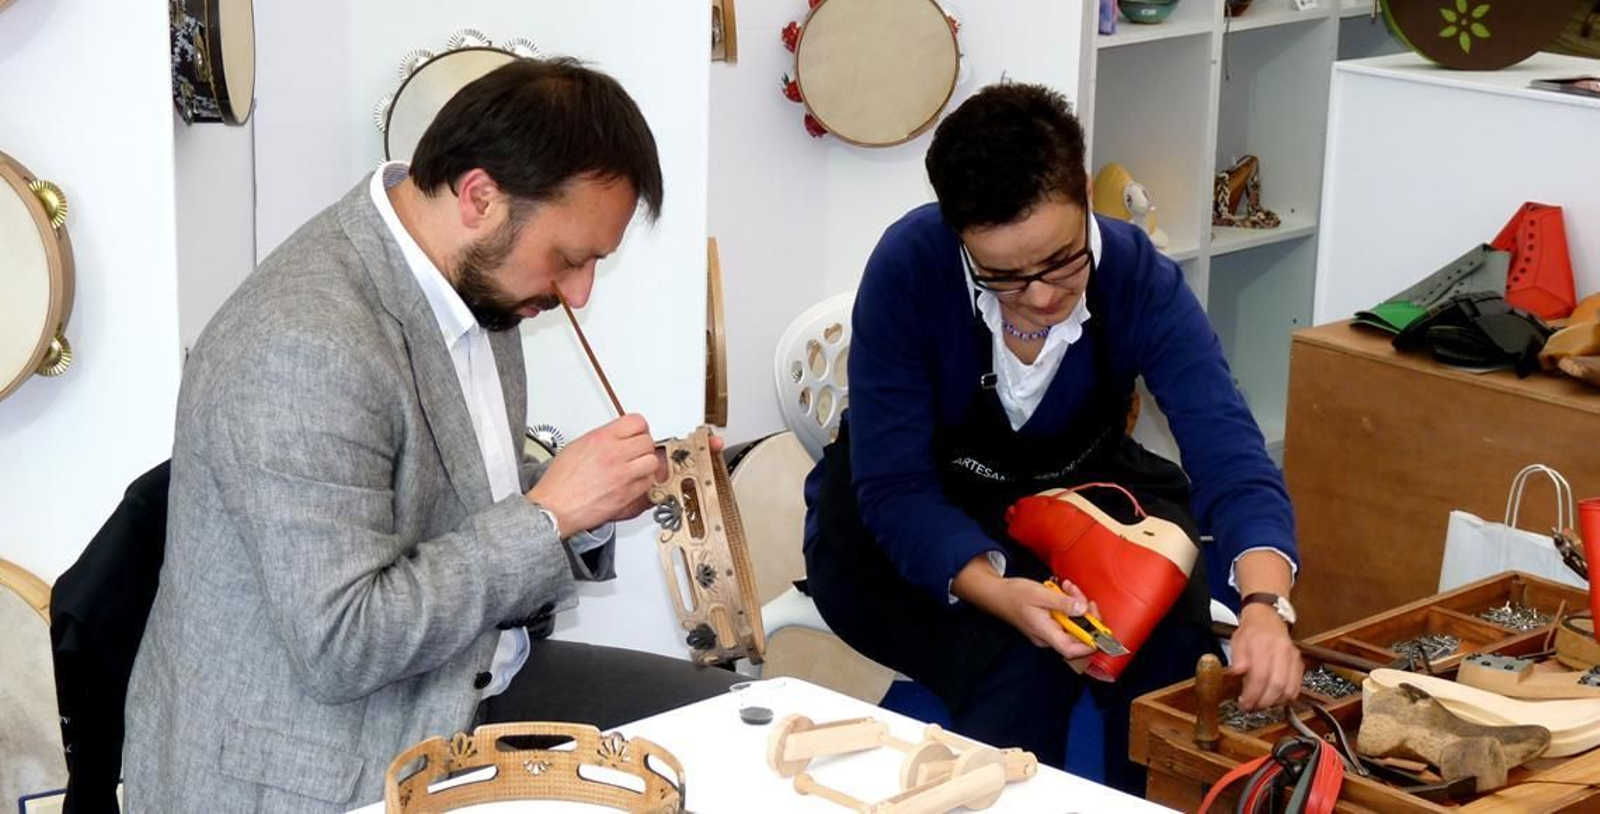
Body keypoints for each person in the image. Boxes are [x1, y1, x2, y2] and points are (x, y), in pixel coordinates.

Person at [123, 58, 736, 812]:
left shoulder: (476, 283)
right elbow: (344, 645)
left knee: (731, 730)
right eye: (570, 259)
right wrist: (551, 513)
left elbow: (450, 498)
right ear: (480, 197)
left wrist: (596, 504)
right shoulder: (304, 343)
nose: (578, 293)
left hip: (464, 681)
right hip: (321, 760)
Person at [802, 82, 1303, 794]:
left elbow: (1230, 454)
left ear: (1084, 197)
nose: (1040, 297)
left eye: (1064, 261)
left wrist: (1265, 609)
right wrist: (999, 592)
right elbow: (894, 487)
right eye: (1003, 277)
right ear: (960, 236)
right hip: (912, 521)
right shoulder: (911, 265)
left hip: (1076, 500)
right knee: (1023, 667)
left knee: (1174, 671)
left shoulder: (1137, 276)